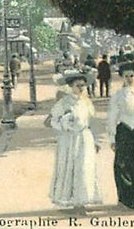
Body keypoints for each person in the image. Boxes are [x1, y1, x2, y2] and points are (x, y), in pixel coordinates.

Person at [48, 70, 102, 213]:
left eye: (83, 86)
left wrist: (95, 141)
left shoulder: (86, 102)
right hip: (69, 139)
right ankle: (72, 202)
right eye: (78, 85)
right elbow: (50, 121)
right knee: (70, 168)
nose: (81, 88)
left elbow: (90, 123)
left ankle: (81, 201)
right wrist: (64, 124)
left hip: (85, 138)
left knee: (83, 168)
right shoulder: (64, 102)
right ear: (71, 86)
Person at [107, 61, 134, 209]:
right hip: (125, 129)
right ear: (122, 77)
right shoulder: (118, 95)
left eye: (131, 75)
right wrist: (112, 138)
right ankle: (126, 198)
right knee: (123, 164)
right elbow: (112, 116)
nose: (129, 78)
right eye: (125, 76)